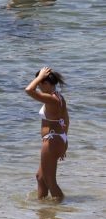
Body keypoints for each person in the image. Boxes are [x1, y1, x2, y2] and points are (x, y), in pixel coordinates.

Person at [24, 67, 69, 200]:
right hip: (57, 139)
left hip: (51, 140)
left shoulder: (52, 99)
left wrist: (39, 76)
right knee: (40, 177)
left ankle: (61, 206)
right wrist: (64, 141)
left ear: (46, 83)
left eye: (39, 84)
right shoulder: (59, 98)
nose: (38, 87)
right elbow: (66, 120)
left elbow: (28, 90)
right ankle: (44, 209)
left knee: (50, 181)